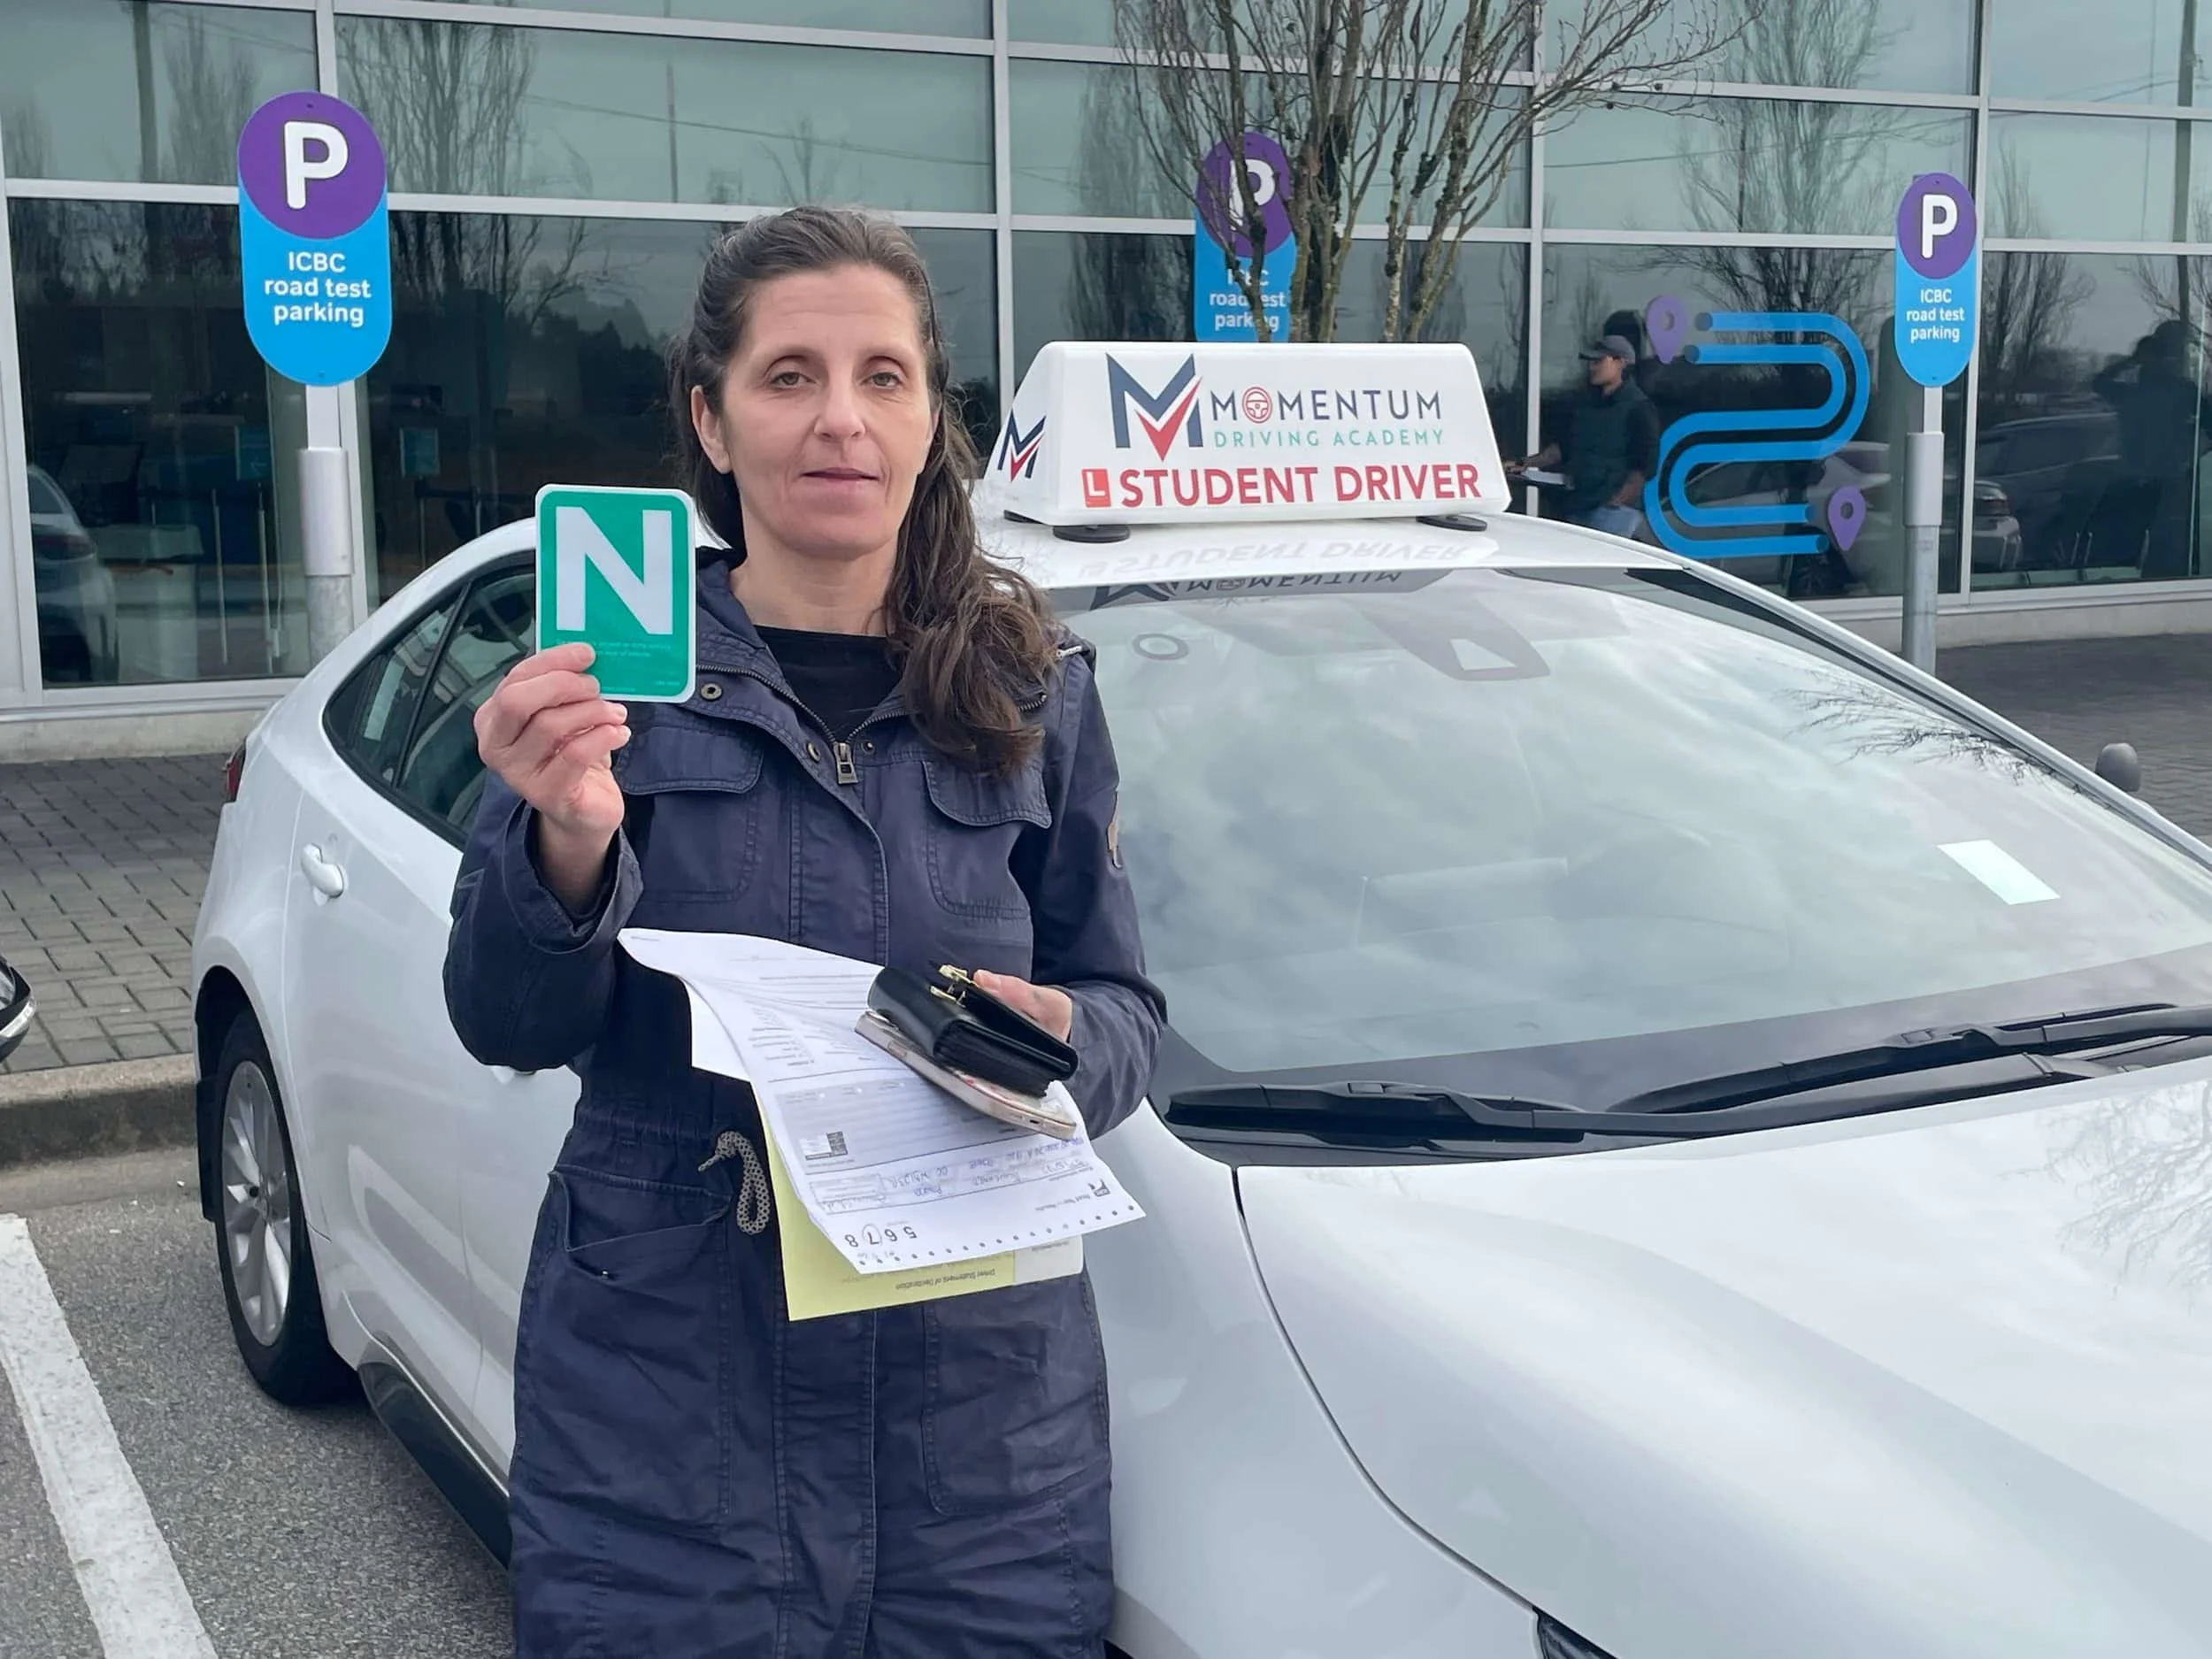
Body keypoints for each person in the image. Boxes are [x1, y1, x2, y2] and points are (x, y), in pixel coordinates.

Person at [442, 204, 1166, 1656]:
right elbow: (505, 1018)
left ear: (929, 417)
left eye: (883, 376)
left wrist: (1063, 1043)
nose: (842, 418)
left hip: (980, 1448)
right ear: (711, 421)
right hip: (669, 1427)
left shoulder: (1036, 687)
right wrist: (565, 837)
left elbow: (1124, 1008)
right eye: (789, 376)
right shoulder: (610, 684)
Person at [1509, 333, 1660, 536]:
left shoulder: (1639, 407)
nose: (1592, 367)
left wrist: (1617, 501)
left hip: (1612, 514)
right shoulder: (1584, 404)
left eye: (1598, 361)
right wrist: (1524, 463)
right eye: (1590, 362)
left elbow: (1645, 465)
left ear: (1620, 363)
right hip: (1577, 507)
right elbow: (1562, 448)